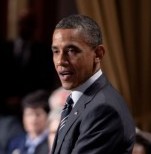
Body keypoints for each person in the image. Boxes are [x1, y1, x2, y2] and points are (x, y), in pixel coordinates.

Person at [50, 14, 135, 154]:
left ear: (98, 54)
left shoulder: (103, 109)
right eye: (56, 51)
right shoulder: (78, 101)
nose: (60, 61)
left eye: (71, 51)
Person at [7, 90, 50, 154]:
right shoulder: (16, 143)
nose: (33, 119)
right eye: (29, 114)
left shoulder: (52, 142)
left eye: (38, 114)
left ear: (48, 116)